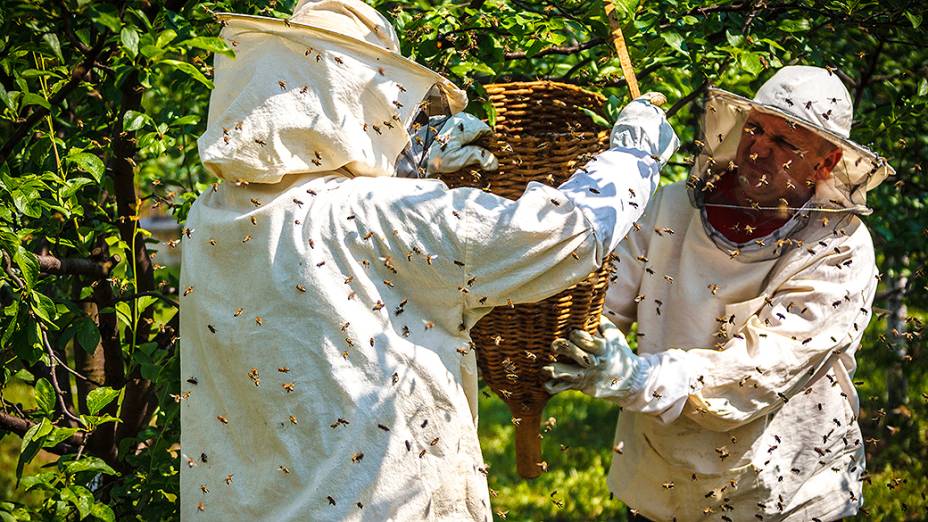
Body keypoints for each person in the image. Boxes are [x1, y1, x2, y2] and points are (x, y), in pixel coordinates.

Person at [179, 0, 679, 519]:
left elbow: (342, 254)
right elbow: (558, 233)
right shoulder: (374, 214)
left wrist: (414, 169)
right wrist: (633, 157)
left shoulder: (212, 215)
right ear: (352, 92)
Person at [544, 65, 894, 521]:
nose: (759, 149)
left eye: (785, 142)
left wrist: (635, 377)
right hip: (661, 479)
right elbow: (601, 300)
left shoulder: (840, 246)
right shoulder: (670, 206)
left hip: (788, 490)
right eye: (755, 129)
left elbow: (761, 369)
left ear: (825, 162)